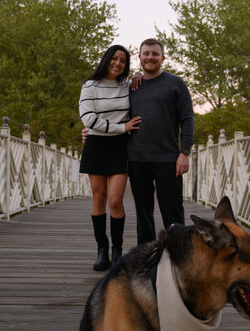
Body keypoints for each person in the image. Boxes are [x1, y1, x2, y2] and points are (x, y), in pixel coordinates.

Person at [79, 45, 141, 271]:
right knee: (98, 198)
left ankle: (117, 251)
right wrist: (122, 127)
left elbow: (143, 87)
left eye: (123, 61)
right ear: (107, 60)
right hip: (96, 145)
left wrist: (138, 74)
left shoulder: (128, 86)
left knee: (115, 200)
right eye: (114, 59)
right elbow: (88, 119)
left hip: (119, 147)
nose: (118, 63)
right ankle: (101, 251)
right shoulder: (90, 86)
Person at [127, 38, 194, 244]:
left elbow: (187, 118)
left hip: (168, 159)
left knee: (172, 212)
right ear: (139, 58)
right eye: (146, 53)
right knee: (143, 213)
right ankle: (146, 258)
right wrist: (90, 130)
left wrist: (185, 152)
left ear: (163, 58)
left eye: (155, 54)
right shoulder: (131, 86)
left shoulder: (176, 83)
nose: (150, 57)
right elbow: (113, 113)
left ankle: (178, 257)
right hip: (137, 158)